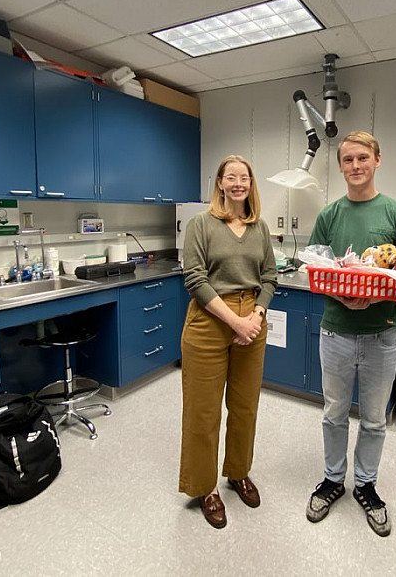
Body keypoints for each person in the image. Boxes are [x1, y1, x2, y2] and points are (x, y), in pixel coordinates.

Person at [305, 131, 396, 537]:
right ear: (340, 166)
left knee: (374, 419)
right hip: (336, 332)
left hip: (382, 333)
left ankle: (367, 485)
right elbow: (315, 268)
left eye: (362, 158)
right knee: (334, 413)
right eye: (348, 160)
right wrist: (344, 292)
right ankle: (333, 479)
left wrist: (374, 298)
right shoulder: (329, 215)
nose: (355, 166)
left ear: (378, 160)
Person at [179, 155, 277, 529]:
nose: (238, 183)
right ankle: (205, 488)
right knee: (203, 411)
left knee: (245, 406)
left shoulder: (259, 227)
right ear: (219, 183)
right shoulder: (201, 225)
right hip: (209, 319)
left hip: (252, 319)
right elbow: (195, 277)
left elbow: (269, 277)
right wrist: (235, 320)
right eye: (230, 177)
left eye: (244, 178)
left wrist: (256, 315)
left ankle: (237, 472)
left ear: (251, 184)